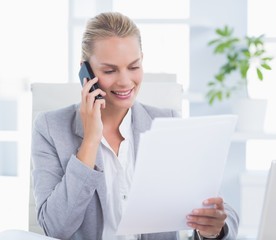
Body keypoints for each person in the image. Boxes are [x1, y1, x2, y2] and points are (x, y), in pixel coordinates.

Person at [31, 11, 239, 240]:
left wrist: (213, 229)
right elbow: (55, 227)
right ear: (85, 71)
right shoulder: (50, 128)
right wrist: (90, 140)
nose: (125, 81)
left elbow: (221, 210)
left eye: (133, 66)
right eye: (109, 70)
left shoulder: (168, 123)